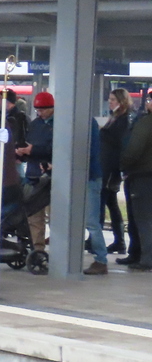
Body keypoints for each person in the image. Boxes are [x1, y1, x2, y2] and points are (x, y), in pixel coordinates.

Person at [16, 91, 54, 252]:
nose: (40, 113)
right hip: (33, 174)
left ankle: (59, 250)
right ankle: (38, 250)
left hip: (51, 176)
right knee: (34, 216)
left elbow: (57, 148)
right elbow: (28, 143)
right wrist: (23, 153)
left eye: (43, 110)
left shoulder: (59, 124)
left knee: (54, 216)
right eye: (38, 110)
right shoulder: (35, 124)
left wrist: (33, 150)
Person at [120, 96, 152, 271]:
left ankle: (146, 259)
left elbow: (134, 150)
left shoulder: (146, 123)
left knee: (143, 218)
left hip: (143, 175)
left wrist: (123, 165)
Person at [99, 89, 132, 255]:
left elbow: (118, 142)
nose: (110, 102)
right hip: (108, 165)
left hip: (111, 167)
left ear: (121, 101)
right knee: (111, 203)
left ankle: (99, 239)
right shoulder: (115, 118)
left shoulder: (123, 120)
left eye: (113, 99)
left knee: (103, 200)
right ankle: (119, 241)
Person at [84, 117, 110, 275]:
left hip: (90, 176)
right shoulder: (89, 122)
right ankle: (100, 259)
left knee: (91, 221)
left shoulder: (87, 123)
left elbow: (91, 151)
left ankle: (101, 259)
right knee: (91, 221)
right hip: (91, 175)